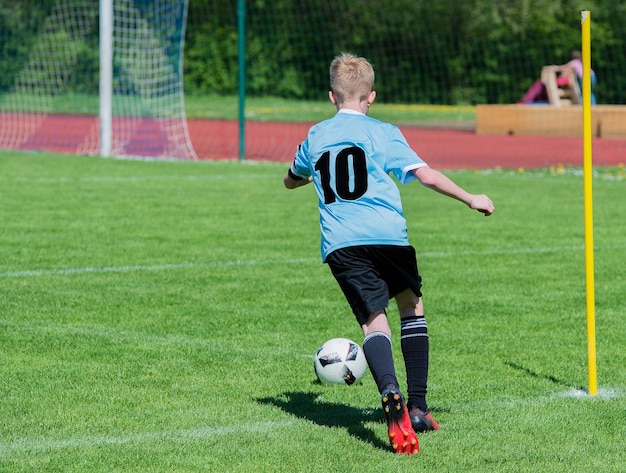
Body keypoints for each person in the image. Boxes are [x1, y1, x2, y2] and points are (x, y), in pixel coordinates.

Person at [283, 52, 495, 455]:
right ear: (371, 96)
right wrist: (470, 198)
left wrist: (297, 177)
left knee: (373, 325)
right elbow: (425, 175)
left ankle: (389, 391)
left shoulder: (314, 136)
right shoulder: (385, 132)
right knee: (411, 307)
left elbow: (292, 178)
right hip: (389, 238)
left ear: (332, 96)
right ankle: (417, 406)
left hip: (343, 243)